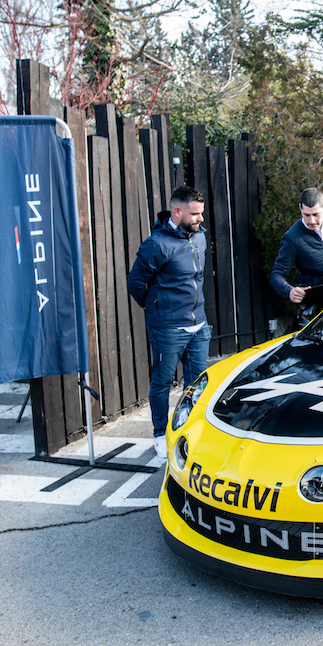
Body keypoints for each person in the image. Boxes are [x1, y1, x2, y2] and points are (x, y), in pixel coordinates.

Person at [127, 186, 211, 459]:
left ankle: (188, 431)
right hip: (168, 328)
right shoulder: (157, 244)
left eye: (201, 213)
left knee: (196, 385)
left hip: (199, 325)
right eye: (195, 214)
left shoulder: (199, 237)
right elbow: (135, 283)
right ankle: (160, 434)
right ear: (177, 212)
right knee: (162, 383)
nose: (201, 218)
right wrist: (155, 307)